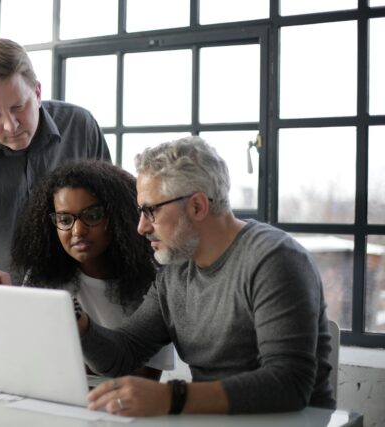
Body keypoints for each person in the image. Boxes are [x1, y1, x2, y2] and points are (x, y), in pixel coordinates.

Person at [81, 136, 335, 416]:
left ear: (197, 206)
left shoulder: (274, 258)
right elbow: (124, 353)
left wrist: (171, 397)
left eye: (150, 211)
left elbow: (289, 384)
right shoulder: (175, 270)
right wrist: (80, 326)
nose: (141, 227)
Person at [0, 160, 175, 384]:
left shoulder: (152, 283)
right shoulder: (44, 277)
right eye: (64, 219)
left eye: (92, 215)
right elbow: (17, 351)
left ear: (118, 217)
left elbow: (142, 378)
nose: (77, 231)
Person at [0, 38, 111, 285]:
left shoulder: (81, 126)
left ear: (37, 92)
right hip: (2, 295)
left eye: (18, 107)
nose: (10, 125)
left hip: (86, 290)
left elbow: (112, 207)